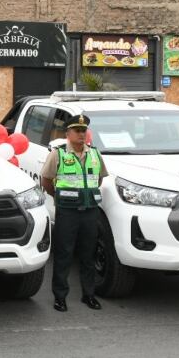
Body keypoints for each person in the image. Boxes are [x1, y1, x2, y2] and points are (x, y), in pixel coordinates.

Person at [40, 114, 108, 312]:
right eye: (77, 130)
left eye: (83, 130)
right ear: (67, 133)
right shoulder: (58, 154)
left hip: (90, 211)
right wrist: (62, 198)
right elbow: (46, 180)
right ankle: (60, 297)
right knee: (64, 255)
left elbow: (99, 179)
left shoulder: (95, 154)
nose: (81, 134)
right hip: (68, 212)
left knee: (88, 255)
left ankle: (89, 295)